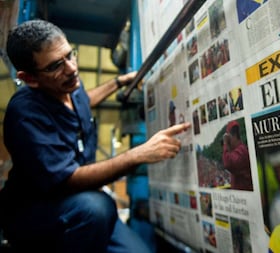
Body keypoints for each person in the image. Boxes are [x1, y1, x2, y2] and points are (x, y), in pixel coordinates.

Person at [0, 19, 191, 253]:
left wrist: (119, 82)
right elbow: (67, 180)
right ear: (30, 79)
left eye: (70, 55)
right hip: (37, 212)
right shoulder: (25, 115)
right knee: (98, 206)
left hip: (79, 204)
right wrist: (137, 155)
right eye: (54, 66)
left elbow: (85, 100)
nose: (71, 68)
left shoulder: (67, 85)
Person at [222, 120, 253, 191]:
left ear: (234, 136)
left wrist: (225, 144)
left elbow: (228, 164)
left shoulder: (241, 150)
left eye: (228, 139)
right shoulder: (238, 150)